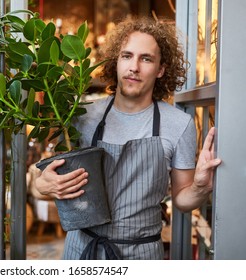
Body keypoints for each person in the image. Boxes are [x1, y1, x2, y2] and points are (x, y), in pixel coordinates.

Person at [33, 16, 222, 260]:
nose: (134, 67)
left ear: (161, 69)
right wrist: (43, 185)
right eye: (127, 56)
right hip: (82, 250)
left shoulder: (178, 124)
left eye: (146, 58)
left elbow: (183, 200)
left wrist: (200, 186)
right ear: (116, 62)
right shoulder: (83, 116)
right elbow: (45, 179)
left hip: (141, 254)